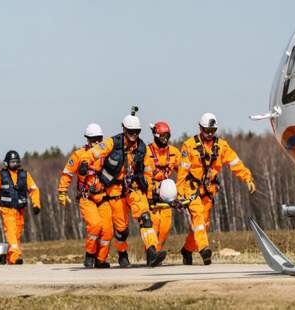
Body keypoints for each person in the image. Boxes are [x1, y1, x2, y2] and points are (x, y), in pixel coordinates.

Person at [92, 107, 167, 267]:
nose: (134, 135)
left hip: (134, 189)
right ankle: (122, 253)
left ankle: (152, 251)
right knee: (121, 230)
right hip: (115, 192)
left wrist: (149, 194)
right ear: (124, 129)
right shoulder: (113, 142)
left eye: (137, 132)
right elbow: (95, 152)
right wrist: (85, 162)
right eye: (131, 132)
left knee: (146, 218)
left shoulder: (142, 148)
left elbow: (147, 172)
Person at [176, 113, 255, 265]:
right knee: (198, 215)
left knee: (202, 225)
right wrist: (179, 195)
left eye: (213, 130)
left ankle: (187, 250)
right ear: (200, 128)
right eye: (207, 130)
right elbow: (182, 173)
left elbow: (234, 162)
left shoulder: (221, 146)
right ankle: (204, 249)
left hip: (208, 190)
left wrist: (247, 177)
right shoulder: (189, 145)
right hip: (191, 189)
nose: (210, 134)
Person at [58, 123, 113, 268]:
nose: (96, 142)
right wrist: (62, 192)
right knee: (95, 225)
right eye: (92, 139)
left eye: (98, 139)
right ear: (87, 139)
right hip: (86, 198)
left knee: (107, 230)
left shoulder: (107, 154)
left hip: (103, 197)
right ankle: (90, 254)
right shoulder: (78, 155)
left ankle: (101, 259)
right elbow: (67, 173)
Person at [0, 150, 41, 265]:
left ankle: (10, 259)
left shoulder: (24, 175)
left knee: (16, 236)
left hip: (20, 210)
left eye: (16, 162)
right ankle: (17, 256)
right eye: (12, 162)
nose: (15, 164)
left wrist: (36, 204)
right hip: (7, 210)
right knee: (11, 233)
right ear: (6, 163)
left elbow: (34, 189)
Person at [146, 121, 181, 251]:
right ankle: (152, 251)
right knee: (153, 224)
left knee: (165, 227)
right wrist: (149, 195)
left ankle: (157, 252)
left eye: (167, 136)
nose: (165, 139)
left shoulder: (174, 152)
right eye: (162, 136)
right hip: (151, 194)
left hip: (166, 194)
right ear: (155, 135)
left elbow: (183, 173)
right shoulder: (146, 152)